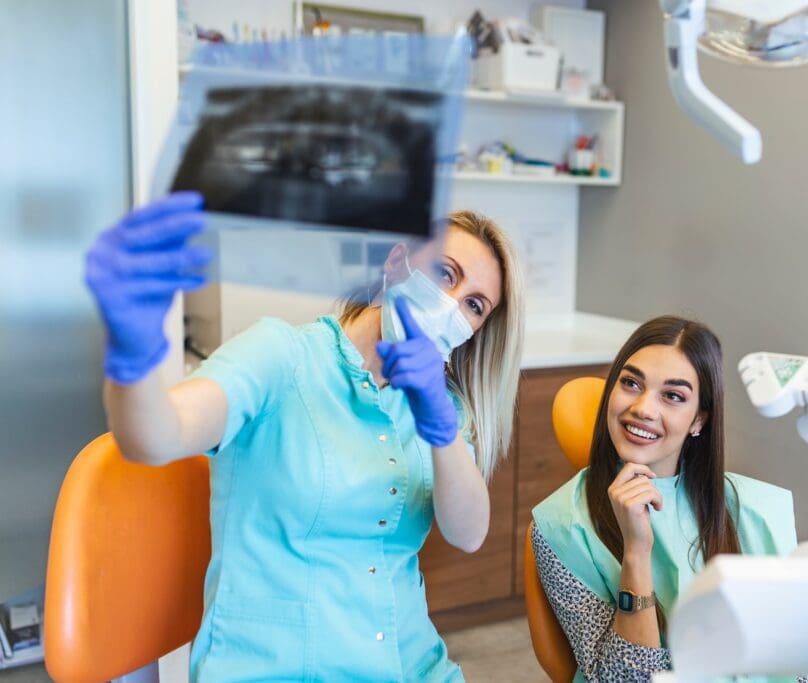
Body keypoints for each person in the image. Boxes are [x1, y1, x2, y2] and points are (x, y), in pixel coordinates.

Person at [84, 191, 524, 681]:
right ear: (397, 261)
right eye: (445, 273)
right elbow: (156, 436)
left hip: (410, 664)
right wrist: (133, 350)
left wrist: (440, 426)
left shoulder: (437, 404)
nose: (450, 305)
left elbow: (468, 534)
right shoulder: (282, 357)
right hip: (277, 667)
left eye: (474, 305)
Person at [531, 315, 808, 682]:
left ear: (699, 420)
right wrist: (635, 555)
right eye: (630, 383)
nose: (643, 408)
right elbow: (624, 680)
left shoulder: (757, 511)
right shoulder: (561, 526)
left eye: (673, 396)